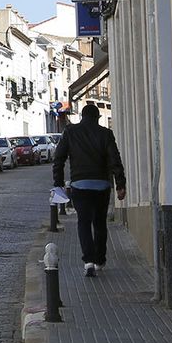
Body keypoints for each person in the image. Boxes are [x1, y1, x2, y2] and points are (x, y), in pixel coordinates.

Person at [52, 104, 126, 277]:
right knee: (100, 223)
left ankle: (88, 262)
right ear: (98, 118)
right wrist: (120, 184)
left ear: (82, 117)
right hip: (102, 185)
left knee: (83, 223)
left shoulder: (70, 132)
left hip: (80, 185)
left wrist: (59, 183)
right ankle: (100, 259)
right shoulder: (106, 134)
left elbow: (59, 159)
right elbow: (115, 159)